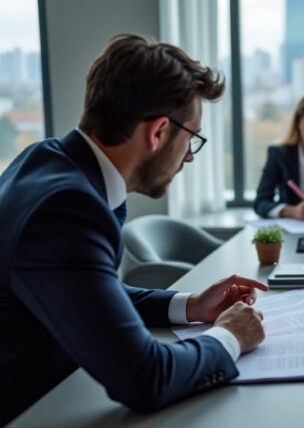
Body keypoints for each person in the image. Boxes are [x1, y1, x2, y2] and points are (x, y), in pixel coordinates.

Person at [0, 34, 269, 423]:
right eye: (190, 139)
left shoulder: (46, 161)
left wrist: (190, 306)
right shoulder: (66, 209)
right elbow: (145, 379)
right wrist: (230, 337)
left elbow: (89, 289)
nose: (189, 158)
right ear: (158, 132)